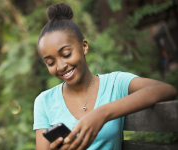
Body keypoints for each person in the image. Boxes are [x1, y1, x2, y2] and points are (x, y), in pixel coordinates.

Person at [33, 3, 177, 150]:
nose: (60, 66)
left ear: (84, 47)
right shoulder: (44, 102)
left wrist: (102, 114)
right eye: (50, 62)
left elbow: (165, 89)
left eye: (66, 54)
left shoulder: (115, 83)